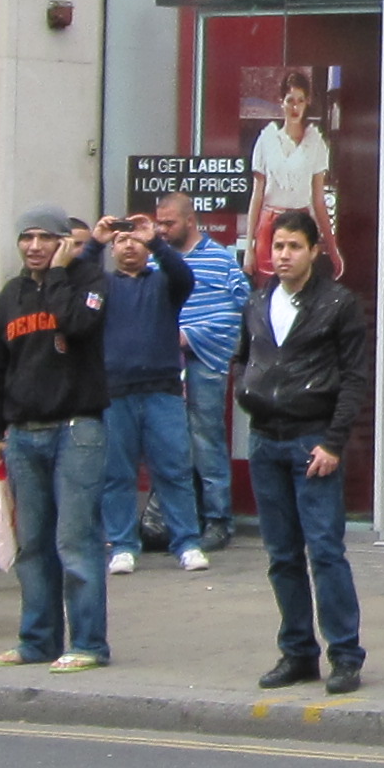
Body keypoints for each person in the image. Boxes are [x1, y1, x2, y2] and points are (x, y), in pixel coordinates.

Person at [240, 205, 369, 694]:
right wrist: (247, 393)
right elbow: (244, 358)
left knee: (326, 551)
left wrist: (333, 442)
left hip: (312, 439)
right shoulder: (257, 302)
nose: (284, 255)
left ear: (315, 251)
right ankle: (297, 652)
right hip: (265, 438)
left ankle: (345, 655)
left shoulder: (337, 304)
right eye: (278, 246)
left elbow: (354, 379)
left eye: (294, 246)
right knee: (281, 554)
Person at [0, 209, 113, 671]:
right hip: (23, 434)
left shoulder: (90, 281)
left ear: (65, 244)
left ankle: (89, 644)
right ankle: (37, 640)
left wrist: (58, 275)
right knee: (32, 545)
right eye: (27, 237)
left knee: (75, 541)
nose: (34, 246)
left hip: (77, 429)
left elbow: (75, 325)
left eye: (46, 238)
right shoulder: (12, 294)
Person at [93, 207, 205, 578]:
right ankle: (123, 545)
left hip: (163, 391)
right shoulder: (102, 286)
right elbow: (75, 284)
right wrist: (94, 244)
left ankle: (186, 542)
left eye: (135, 240)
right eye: (121, 240)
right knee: (116, 474)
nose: (129, 246)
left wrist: (155, 241)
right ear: (112, 248)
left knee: (174, 470)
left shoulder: (163, 283)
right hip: (115, 392)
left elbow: (184, 276)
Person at [157, 188, 246, 563]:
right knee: (169, 443)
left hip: (204, 360)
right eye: (159, 223)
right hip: (163, 364)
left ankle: (218, 519)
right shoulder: (156, 261)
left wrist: (190, 335)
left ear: (190, 221)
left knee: (206, 439)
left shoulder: (221, 260)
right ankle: (178, 520)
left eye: (169, 223)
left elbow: (239, 308)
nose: (162, 230)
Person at [251, 76, 337, 242]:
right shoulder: (267, 140)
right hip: (270, 224)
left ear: (307, 102)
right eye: (290, 100)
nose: (295, 107)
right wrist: (249, 244)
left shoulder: (315, 143)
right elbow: (257, 195)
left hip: (301, 222)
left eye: (300, 101)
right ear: (282, 102)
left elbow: (318, 201)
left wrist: (331, 246)